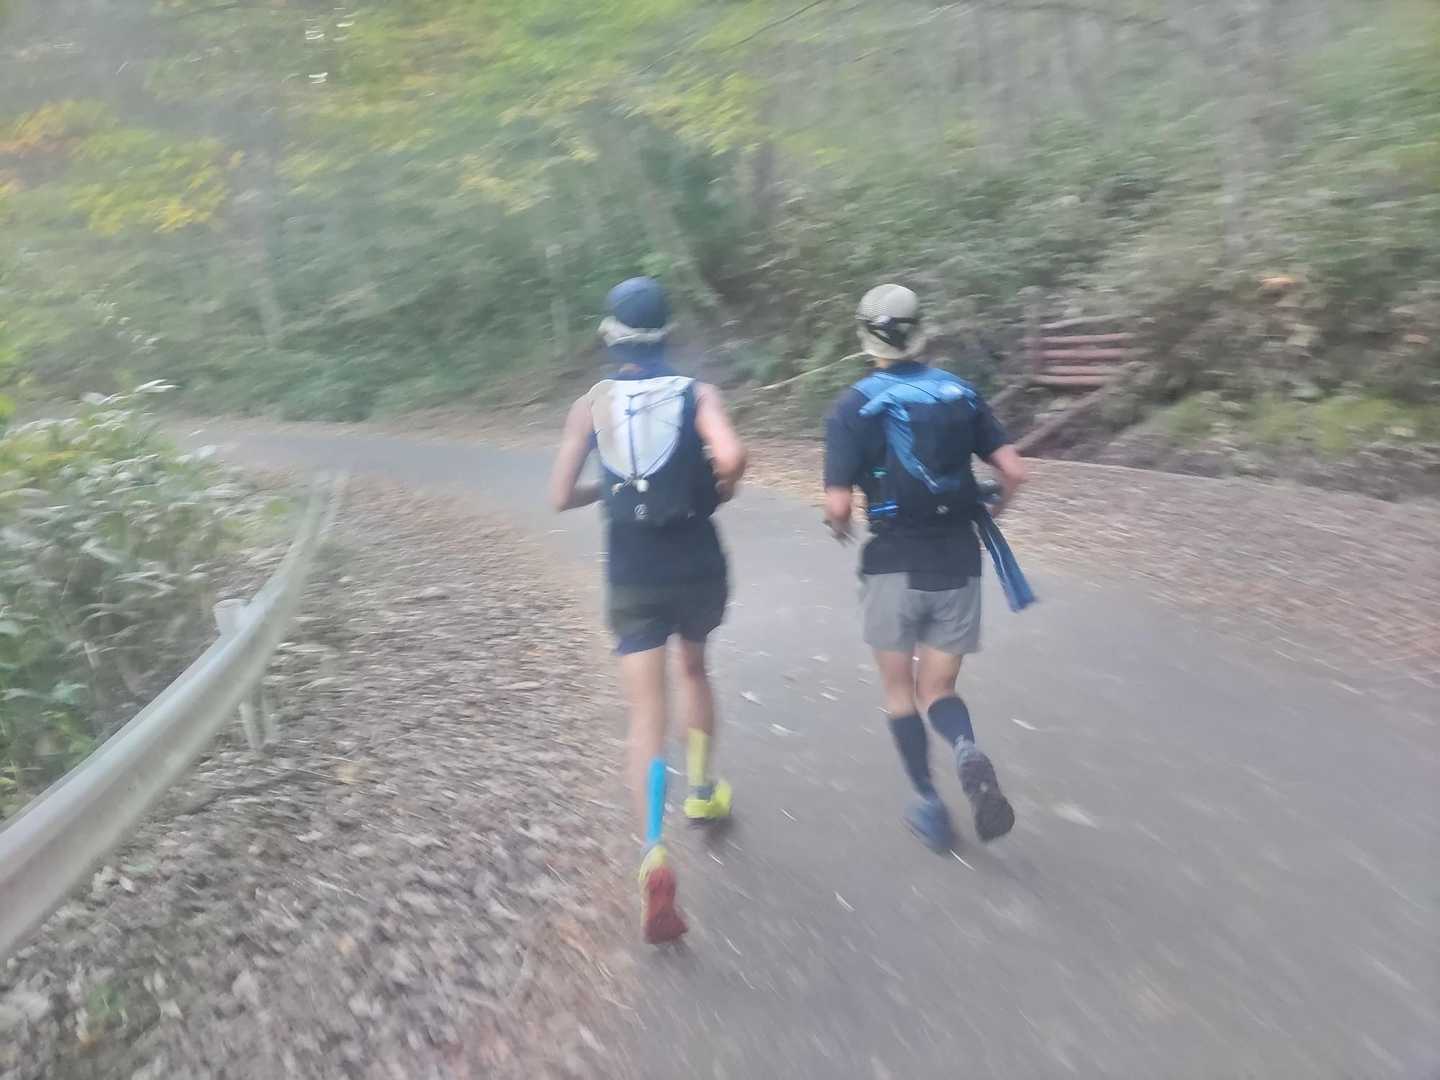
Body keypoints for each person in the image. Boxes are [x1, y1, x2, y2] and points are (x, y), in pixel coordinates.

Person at [549, 276, 746, 943]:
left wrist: (605, 493)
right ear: (668, 333)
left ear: (611, 337)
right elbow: (732, 455)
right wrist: (720, 486)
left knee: (644, 716)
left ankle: (654, 850)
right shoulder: (698, 393)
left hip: (631, 571)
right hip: (695, 563)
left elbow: (559, 496)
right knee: (693, 669)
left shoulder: (589, 406)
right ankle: (703, 791)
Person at [823, 283, 1028, 852]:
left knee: (899, 691)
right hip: (958, 559)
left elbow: (837, 507)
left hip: (891, 562)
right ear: (920, 332)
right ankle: (965, 748)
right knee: (938, 688)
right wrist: (993, 511)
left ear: (865, 336)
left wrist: (839, 527)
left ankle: (930, 805)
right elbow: (1014, 472)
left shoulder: (850, 406)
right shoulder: (961, 393)